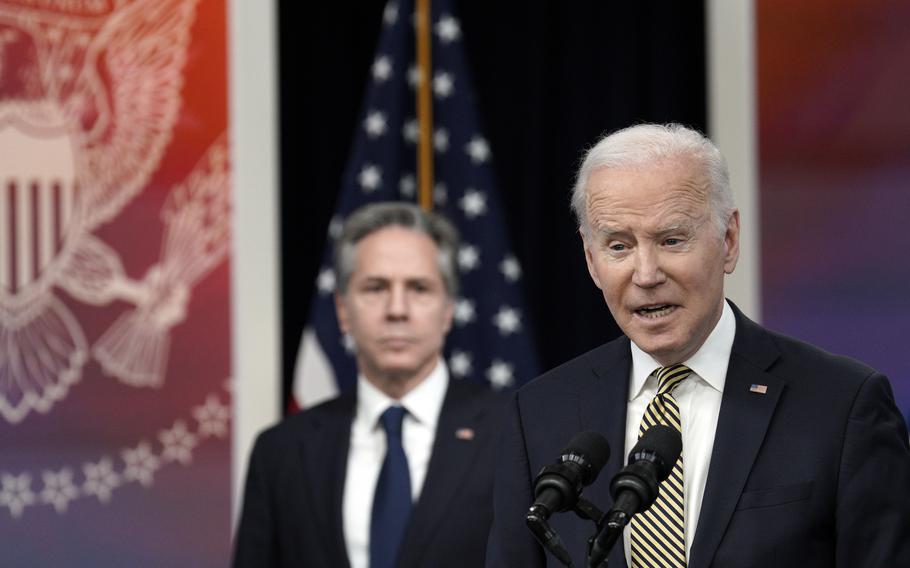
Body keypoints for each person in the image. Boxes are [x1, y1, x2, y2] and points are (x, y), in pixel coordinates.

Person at [485, 124, 910, 567]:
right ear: (591, 261)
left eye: (671, 240)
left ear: (728, 240)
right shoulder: (538, 412)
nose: (646, 274)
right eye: (618, 246)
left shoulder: (842, 405)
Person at [234, 202, 505, 568]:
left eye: (419, 288)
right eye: (375, 288)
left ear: (448, 310)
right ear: (343, 310)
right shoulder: (281, 451)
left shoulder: (512, 436)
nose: (397, 309)